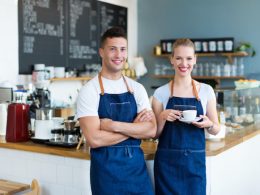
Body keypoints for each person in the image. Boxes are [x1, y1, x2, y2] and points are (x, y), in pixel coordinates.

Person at [77, 27, 156, 195]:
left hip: (137, 171)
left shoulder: (137, 88)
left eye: (122, 49)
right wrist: (134, 128)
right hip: (106, 175)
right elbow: (94, 139)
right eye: (112, 49)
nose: (118, 55)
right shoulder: (89, 90)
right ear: (101, 52)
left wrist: (112, 125)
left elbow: (151, 129)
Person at [152, 38, 220, 195]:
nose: (184, 63)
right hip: (166, 165)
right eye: (178, 58)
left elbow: (216, 129)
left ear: (195, 59)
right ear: (171, 60)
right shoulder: (160, 93)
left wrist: (209, 124)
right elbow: (154, 134)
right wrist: (162, 116)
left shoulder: (206, 90)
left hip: (194, 165)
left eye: (189, 58)